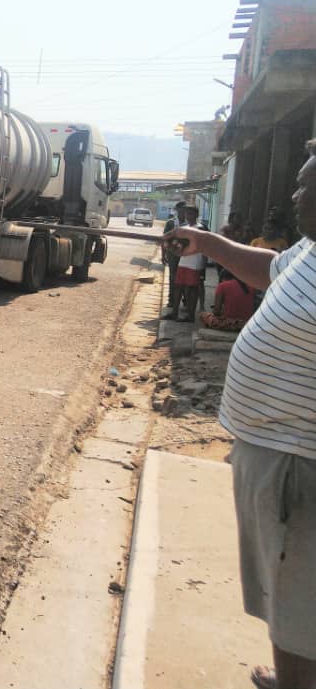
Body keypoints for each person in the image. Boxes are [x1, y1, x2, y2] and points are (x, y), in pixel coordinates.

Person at [163, 138, 316, 689]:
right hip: (272, 452)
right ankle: (290, 673)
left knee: (300, 599)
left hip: (299, 465)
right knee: (285, 590)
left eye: (305, 183)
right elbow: (271, 268)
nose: (294, 193)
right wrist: (208, 242)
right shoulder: (310, 250)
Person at [175, 205, 206, 321]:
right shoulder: (184, 227)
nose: (188, 216)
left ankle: (190, 315)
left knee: (191, 289)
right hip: (183, 261)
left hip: (194, 262)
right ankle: (174, 312)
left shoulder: (200, 228)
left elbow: (201, 246)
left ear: (196, 215)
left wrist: (203, 265)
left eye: (191, 214)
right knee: (178, 286)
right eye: (187, 214)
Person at [162, 200, 189, 319]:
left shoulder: (190, 224)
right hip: (173, 253)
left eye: (185, 209)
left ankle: (185, 300)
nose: (183, 212)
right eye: (181, 209)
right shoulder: (171, 223)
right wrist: (163, 255)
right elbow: (164, 239)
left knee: (185, 277)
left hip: (187, 254)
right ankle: (172, 299)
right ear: (177, 211)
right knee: (173, 276)